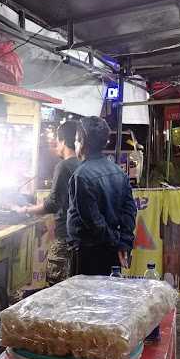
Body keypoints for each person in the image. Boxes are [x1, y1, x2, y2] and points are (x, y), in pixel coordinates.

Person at [67, 116, 137, 276]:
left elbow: (93, 220)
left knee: (85, 299)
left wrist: (116, 242)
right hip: (112, 252)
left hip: (88, 254)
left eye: (76, 141)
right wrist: (122, 243)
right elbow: (130, 210)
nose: (75, 145)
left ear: (82, 142)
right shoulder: (118, 171)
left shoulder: (81, 176)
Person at [15, 120, 79, 285]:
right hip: (79, 239)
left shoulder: (64, 166)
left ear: (63, 141)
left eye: (57, 141)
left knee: (56, 286)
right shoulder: (83, 164)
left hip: (64, 238)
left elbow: (53, 203)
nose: (56, 145)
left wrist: (28, 210)